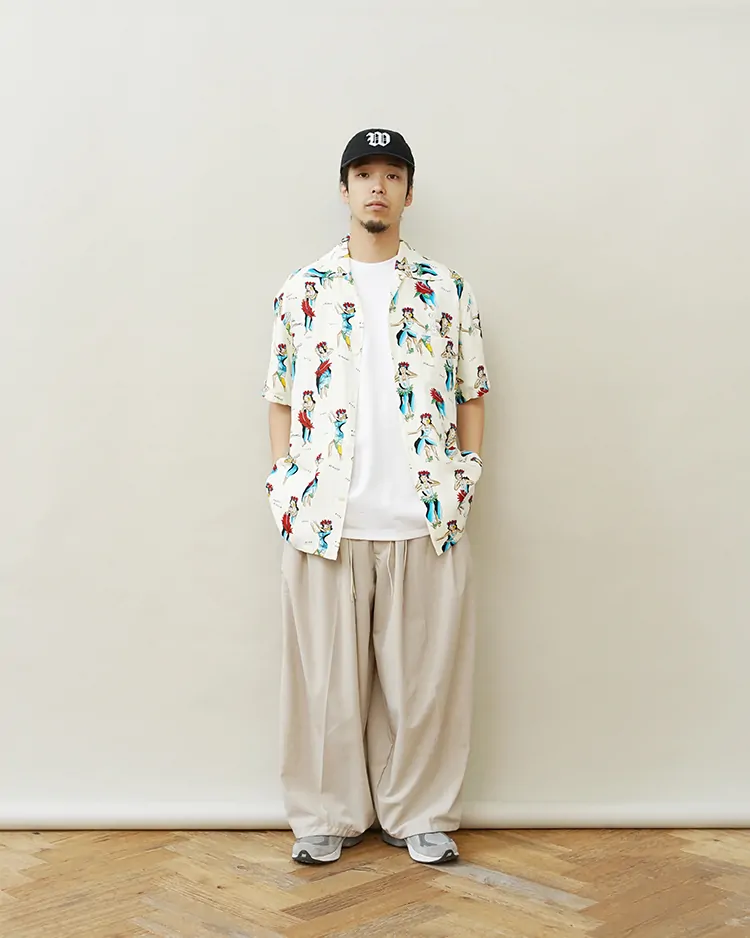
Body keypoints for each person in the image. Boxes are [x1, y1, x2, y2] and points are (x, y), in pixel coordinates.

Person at [262, 128, 490, 866]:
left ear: (408, 193)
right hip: (326, 521)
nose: (377, 187)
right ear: (345, 189)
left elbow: (472, 391)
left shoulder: (446, 289)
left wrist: (463, 477)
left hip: (424, 518)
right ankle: (325, 815)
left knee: (426, 688)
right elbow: (279, 396)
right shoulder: (303, 290)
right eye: (364, 174)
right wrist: (286, 487)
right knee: (323, 688)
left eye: (392, 175)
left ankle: (420, 813)